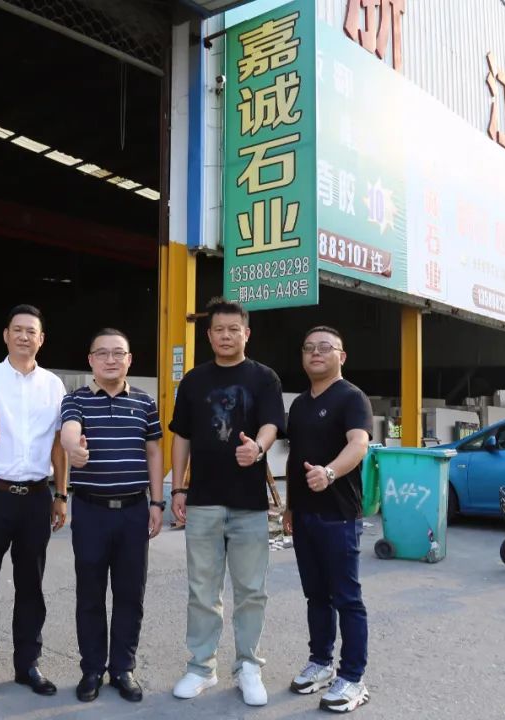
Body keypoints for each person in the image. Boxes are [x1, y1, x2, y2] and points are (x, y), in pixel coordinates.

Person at [168, 297, 285, 707]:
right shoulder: (194, 381)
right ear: (209, 334)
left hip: (249, 503)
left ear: (246, 333)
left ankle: (248, 666)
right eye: (218, 329)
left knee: (251, 590)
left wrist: (259, 447)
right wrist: (177, 488)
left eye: (234, 329)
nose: (226, 336)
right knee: (202, 590)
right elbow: (181, 435)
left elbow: (272, 424)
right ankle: (202, 667)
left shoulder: (264, 378)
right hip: (202, 500)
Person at [0, 304, 68, 708]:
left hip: (36, 497)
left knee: (31, 584)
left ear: (41, 339)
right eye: (17, 329)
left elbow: (59, 444)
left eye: (31, 331)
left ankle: (28, 664)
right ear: (6, 335)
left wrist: (61, 495)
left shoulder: (54, 385)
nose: (24, 336)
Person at [59, 328, 164, 703]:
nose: (110, 359)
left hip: (134, 512)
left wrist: (157, 503)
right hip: (91, 512)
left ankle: (123, 668)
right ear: (90, 360)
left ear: (129, 360)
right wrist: (74, 449)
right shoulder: (75, 400)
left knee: (130, 594)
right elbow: (69, 432)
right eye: (102, 353)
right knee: (89, 594)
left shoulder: (145, 403)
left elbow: (154, 452)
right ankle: (91, 669)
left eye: (118, 353)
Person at [283, 326, 372, 713]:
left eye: (325, 347)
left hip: (339, 515)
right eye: (309, 348)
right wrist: (290, 505)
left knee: (346, 598)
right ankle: (321, 662)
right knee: (316, 595)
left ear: (341, 356)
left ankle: (353, 678)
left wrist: (330, 472)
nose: (315, 353)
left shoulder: (352, 398)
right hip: (304, 515)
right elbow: (294, 457)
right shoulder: (300, 404)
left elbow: (359, 443)